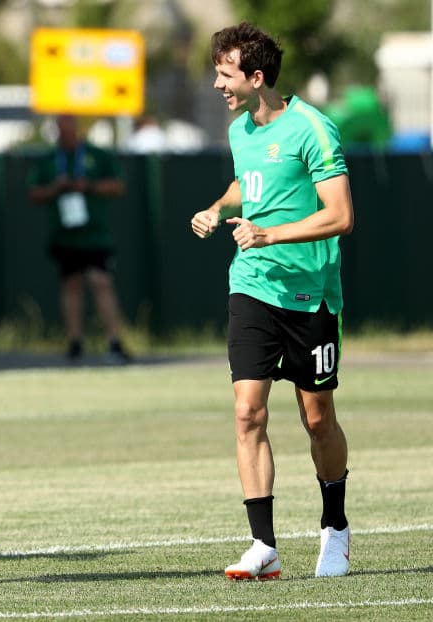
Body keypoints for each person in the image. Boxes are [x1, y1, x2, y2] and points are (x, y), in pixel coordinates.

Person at [190, 22, 354, 580]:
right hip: (252, 286)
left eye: (225, 73)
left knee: (317, 418)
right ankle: (264, 545)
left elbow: (340, 215)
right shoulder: (241, 130)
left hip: (310, 298)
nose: (217, 84)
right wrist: (217, 208)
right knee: (246, 412)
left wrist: (269, 234)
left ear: (257, 78)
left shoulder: (313, 128)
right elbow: (247, 184)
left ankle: (335, 528)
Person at [29, 114, 132, 364]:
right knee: (71, 284)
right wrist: (56, 187)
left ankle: (114, 341)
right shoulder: (50, 160)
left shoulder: (97, 155)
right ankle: (75, 342)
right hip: (65, 235)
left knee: (101, 281)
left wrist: (90, 186)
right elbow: (34, 192)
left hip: (95, 234)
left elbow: (118, 185)